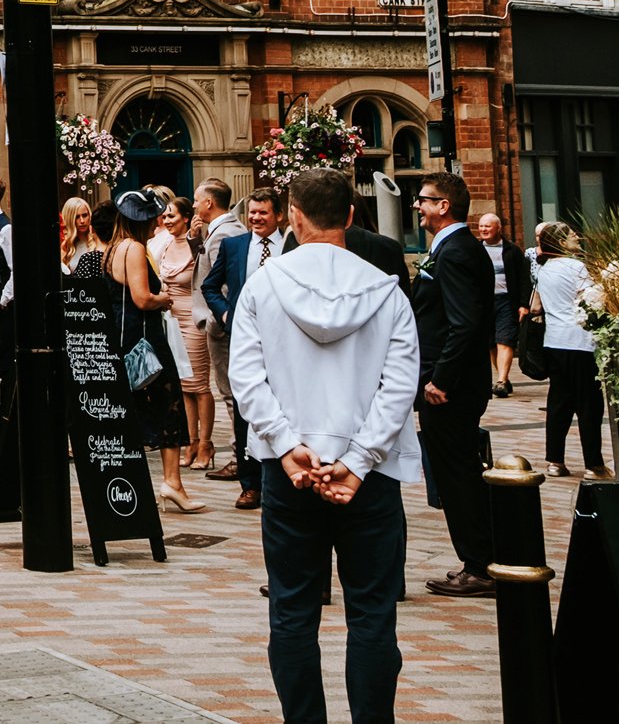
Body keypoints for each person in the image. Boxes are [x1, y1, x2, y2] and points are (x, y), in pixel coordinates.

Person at [231, 168, 421, 724]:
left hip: (290, 474)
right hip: (370, 478)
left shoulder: (264, 285)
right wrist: (359, 462)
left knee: (292, 613)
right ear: (353, 215)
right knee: (372, 616)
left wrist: (288, 447)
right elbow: (399, 386)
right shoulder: (387, 291)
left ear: (292, 215)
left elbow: (247, 378)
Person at [410, 171, 497, 597]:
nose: (417, 206)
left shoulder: (457, 252)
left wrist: (440, 380)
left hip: (450, 388)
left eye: (423, 200)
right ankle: (480, 558)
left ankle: (480, 565)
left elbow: (464, 325)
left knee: (457, 474)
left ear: (444, 206)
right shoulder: (454, 248)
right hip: (451, 383)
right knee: (456, 471)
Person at [108, 187, 202, 511]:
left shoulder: (115, 247)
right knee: (169, 405)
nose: (157, 222)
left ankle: (168, 484)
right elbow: (142, 298)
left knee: (145, 409)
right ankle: (172, 482)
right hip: (144, 342)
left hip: (128, 340)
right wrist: (165, 299)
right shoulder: (133, 249)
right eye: (152, 218)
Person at [204, 187, 285, 509]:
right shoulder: (234, 246)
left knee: (281, 404)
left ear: (278, 215)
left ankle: (277, 476)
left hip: (282, 339)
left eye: (263, 212)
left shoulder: (291, 246)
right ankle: (249, 484)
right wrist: (225, 313)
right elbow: (210, 285)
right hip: (244, 338)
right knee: (244, 407)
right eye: (252, 212)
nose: (256, 218)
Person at [529, 221, 608, 480]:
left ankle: (555, 461)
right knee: (589, 404)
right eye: (572, 234)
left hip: (554, 341)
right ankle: (594, 465)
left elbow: (536, 307)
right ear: (561, 242)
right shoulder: (576, 267)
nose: (577, 236)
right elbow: (590, 302)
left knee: (559, 402)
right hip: (581, 341)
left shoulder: (544, 270)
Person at [153, 190, 214, 472]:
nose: (166, 219)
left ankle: (206, 443)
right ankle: (189, 442)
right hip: (172, 318)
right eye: (164, 215)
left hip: (192, 316)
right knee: (183, 384)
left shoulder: (195, 245)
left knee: (199, 385)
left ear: (186, 218)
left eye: (171, 215)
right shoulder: (165, 246)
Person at [190, 178, 245, 481]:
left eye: (197, 200)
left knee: (230, 392)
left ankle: (240, 458)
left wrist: (218, 319)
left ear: (209, 203)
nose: (194, 205)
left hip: (223, 327)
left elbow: (226, 283)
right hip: (219, 323)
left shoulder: (226, 233)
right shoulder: (217, 231)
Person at [476, 211, 532, 398]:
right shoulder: (475, 250)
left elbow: (524, 279)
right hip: (484, 303)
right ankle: (504, 378)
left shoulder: (512, 251)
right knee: (491, 342)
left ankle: (500, 380)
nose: (483, 229)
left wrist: (524, 304)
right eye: (481, 226)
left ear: (498, 229)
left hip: (506, 301)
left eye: (487, 226)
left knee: (505, 339)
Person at [58, 196, 100, 274]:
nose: (82, 221)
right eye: (77, 217)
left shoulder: (98, 240)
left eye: (84, 215)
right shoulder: (66, 246)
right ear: (70, 219)